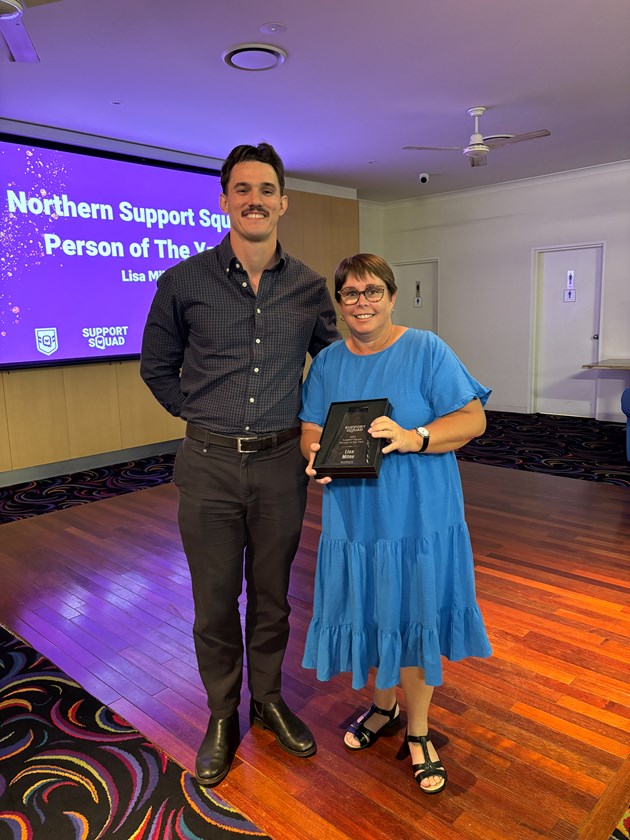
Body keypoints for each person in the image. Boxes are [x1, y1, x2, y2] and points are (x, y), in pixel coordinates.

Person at [140, 143, 340, 786]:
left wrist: (321, 430)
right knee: (214, 602)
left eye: (266, 189)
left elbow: (335, 369)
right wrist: (202, 416)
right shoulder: (183, 281)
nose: (255, 199)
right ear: (225, 199)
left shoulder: (311, 287)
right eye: (242, 189)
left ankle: (270, 700)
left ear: (283, 201)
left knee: (275, 599)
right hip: (209, 468)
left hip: (283, 465)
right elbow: (156, 368)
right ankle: (223, 713)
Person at [300, 253, 492, 794]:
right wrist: (313, 455)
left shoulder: (426, 348)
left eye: (373, 291)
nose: (362, 302)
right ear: (339, 304)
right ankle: (381, 708)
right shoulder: (331, 361)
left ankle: (419, 729)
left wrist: (416, 437)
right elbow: (312, 427)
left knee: (413, 606)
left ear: (391, 295)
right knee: (371, 605)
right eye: (351, 294)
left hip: (418, 510)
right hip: (355, 512)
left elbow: (473, 418)